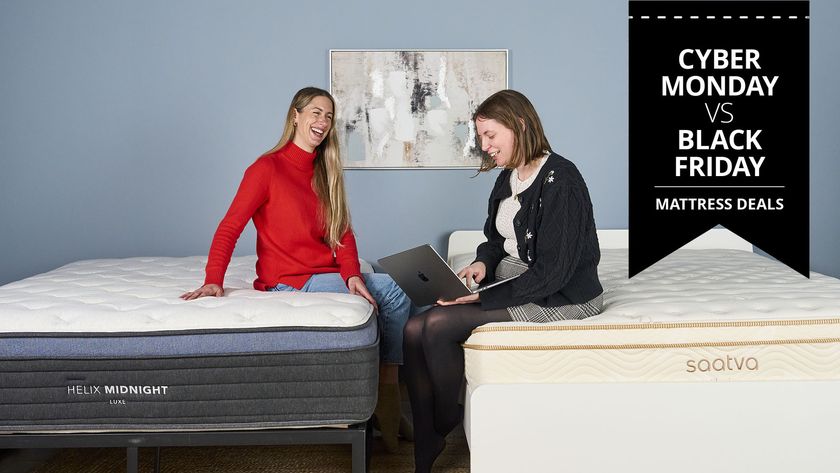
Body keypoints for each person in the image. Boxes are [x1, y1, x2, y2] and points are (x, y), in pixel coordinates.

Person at [180, 86, 412, 452]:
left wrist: (351, 273)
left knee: (390, 295)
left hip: (325, 275)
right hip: (289, 282)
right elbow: (230, 226)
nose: (323, 121)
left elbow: (343, 234)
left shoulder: (325, 171)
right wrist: (213, 281)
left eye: (330, 116)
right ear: (296, 116)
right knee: (394, 293)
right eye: (316, 113)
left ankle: (384, 395)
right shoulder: (266, 168)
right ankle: (387, 397)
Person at [402, 89, 604, 472]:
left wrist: (480, 301)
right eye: (481, 138)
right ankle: (429, 429)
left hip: (563, 294)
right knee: (414, 328)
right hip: (522, 274)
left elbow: (553, 273)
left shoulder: (562, 180)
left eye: (490, 135)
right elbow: (497, 241)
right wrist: (482, 264)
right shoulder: (508, 178)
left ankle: (441, 424)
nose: (485, 146)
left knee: (440, 324)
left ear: (520, 125)